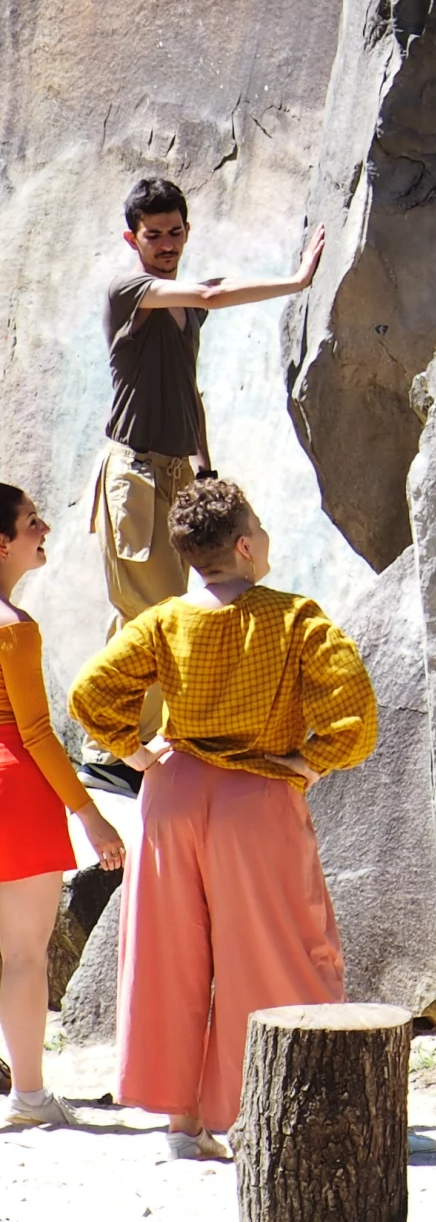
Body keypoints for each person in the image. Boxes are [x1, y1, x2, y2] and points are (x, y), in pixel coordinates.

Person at [71, 479, 375, 1161]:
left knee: (170, 957)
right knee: (283, 951)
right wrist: (315, 761)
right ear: (243, 545)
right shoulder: (295, 617)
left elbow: (91, 691)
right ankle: (285, 1110)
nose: (265, 537)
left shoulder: (163, 620)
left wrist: (134, 751)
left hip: (172, 794)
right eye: (259, 527)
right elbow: (355, 707)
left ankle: (182, 1124)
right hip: (256, 794)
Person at [93, 177, 325, 632]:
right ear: (132, 239)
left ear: (187, 231)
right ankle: (119, 704)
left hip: (177, 472)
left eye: (175, 233)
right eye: (153, 235)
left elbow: (188, 391)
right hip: (136, 476)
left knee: (178, 610)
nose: (166, 245)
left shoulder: (187, 310)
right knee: (150, 620)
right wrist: (299, 280)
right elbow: (211, 293)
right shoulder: (128, 290)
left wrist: (205, 471)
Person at [0, 483, 127, 1130]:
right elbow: (37, 734)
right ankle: (27, 1097)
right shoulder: (13, 629)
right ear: (0, 543)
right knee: (23, 953)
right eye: (31, 522)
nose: (44, 527)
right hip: (14, 792)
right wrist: (90, 812)